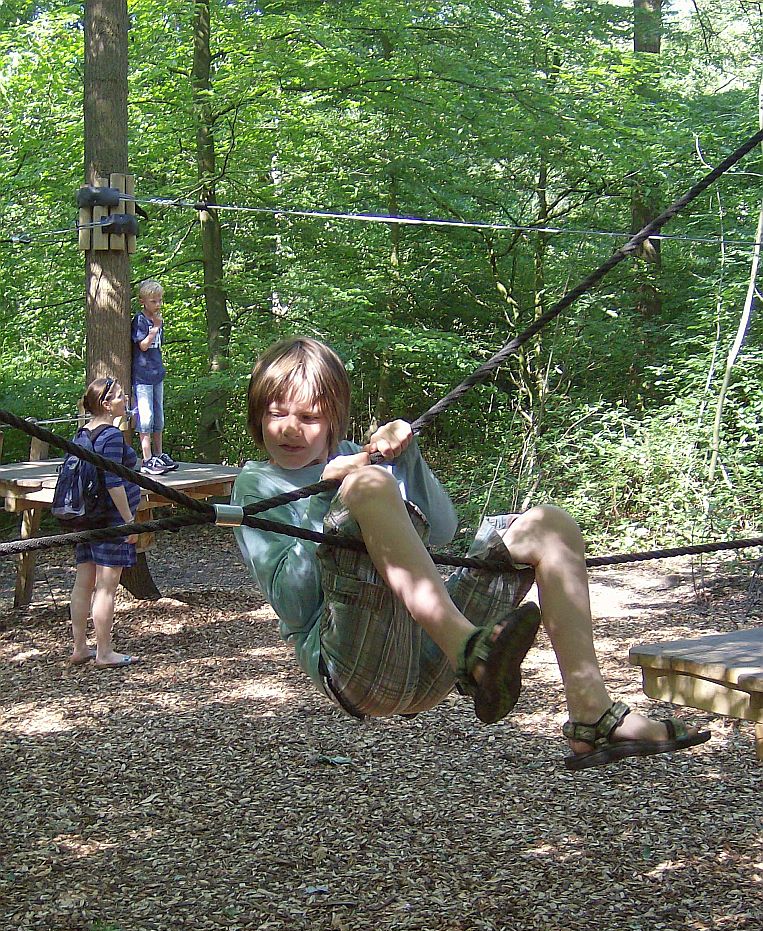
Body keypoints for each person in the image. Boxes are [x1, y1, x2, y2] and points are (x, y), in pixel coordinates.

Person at [232, 336, 711, 770]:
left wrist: (408, 459)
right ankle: (471, 649)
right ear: (259, 415)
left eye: (309, 417)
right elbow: (295, 601)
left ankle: (592, 714)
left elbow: (440, 531)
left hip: (430, 656)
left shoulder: (359, 458)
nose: (290, 429)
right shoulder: (257, 484)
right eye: (277, 413)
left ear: (333, 420)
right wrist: (327, 491)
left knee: (551, 524)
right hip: (353, 666)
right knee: (369, 485)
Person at [68, 377, 141, 668]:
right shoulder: (110, 436)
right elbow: (113, 482)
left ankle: (79, 648)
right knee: (106, 587)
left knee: (83, 582)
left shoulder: (81, 434)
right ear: (106, 404)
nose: (126, 400)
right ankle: (104, 652)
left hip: (85, 518)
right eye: (121, 396)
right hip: (109, 520)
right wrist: (129, 521)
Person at [131, 278, 177, 475]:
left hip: (157, 374)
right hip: (142, 376)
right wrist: (155, 328)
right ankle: (147, 457)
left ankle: (159, 454)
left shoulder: (157, 320)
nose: (158, 305)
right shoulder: (140, 320)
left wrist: (158, 326)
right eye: (153, 301)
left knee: (159, 416)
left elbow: (158, 346)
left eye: (160, 301)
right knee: (146, 416)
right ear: (143, 301)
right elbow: (142, 345)